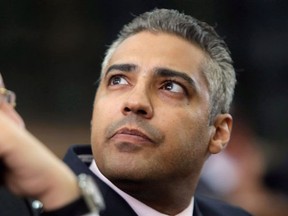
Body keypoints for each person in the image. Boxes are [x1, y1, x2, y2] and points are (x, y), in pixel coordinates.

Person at [0, 8, 252, 216]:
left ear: (218, 133)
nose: (135, 102)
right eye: (118, 80)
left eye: (171, 86)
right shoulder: (15, 206)